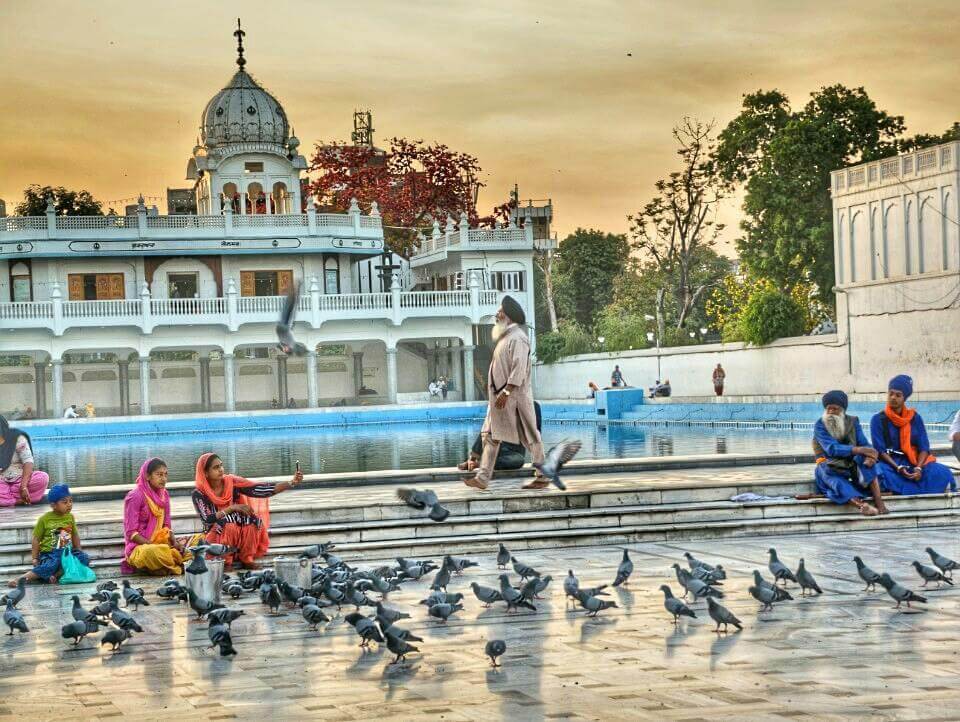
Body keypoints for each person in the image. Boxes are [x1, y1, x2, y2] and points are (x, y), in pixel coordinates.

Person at [464, 295, 546, 491]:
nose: (497, 314)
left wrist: (507, 391)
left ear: (508, 316)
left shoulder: (518, 338)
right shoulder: (507, 337)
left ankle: (543, 476)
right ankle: (483, 478)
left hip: (514, 398)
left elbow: (519, 367)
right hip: (501, 399)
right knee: (490, 436)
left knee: (530, 437)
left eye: (500, 311)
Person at [192, 452, 303, 570]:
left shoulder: (232, 483)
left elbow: (260, 490)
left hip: (236, 526)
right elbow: (207, 519)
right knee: (228, 524)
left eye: (221, 465)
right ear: (205, 473)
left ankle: (247, 558)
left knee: (254, 521)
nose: (221, 470)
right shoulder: (199, 493)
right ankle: (224, 561)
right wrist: (233, 508)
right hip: (215, 533)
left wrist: (291, 482)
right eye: (216, 467)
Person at [870, 375, 956, 496]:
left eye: (898, 395)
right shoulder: (877, 419)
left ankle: (901, 489)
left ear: (904, 398)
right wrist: (898, 468)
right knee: (878, 471)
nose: (893, 398)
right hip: (891, 464)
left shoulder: (915, 418)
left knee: (941, 471)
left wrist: (919, 468)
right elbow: (880, 451)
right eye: (891, 394)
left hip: (913, 462)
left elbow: (924, 447)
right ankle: (915, 488)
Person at [812, 390, 887, 516]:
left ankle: (879, 502)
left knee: (867, 462)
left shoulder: (853, 421)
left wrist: (871, 457)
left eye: (834, 409)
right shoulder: (820, 425)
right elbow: (832, 449)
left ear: (843, 410)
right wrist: (859, 450)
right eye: (828, 409)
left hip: (850, 464)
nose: (830, 412)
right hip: (828, 465)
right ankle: (862, 506)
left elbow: (864, 443)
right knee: (834, 480)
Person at [8, 484, 91, 586]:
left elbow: (75, 535)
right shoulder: (44, 519)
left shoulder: (70, 517)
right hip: (50, 554)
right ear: (53, 505)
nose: (69, 504)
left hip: (66, 552)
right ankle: (20, 579)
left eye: (70, 501)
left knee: (84, 558)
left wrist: (78, 551)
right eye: (65, 502)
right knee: (50, 564)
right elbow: (36, 539)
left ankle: (55, 576)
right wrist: (35, 558)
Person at [122, 458, 188, 576]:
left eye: (165, 475)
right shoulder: (135, 496)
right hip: (140, 548)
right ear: (147, 476)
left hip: (161, 544)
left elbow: (167, 526)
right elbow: (131, 533)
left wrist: (175, 542)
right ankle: (169, 564)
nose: (164, 479)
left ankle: (160, 567)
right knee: (153, 552)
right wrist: (151, 545)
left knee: (195, 544)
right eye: (159, 475)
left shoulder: (164, 495)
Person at [459, 401, 543, 473]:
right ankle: (471, 460)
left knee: (518, 461)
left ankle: (479, 464)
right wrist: (472, 458)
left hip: (515, 452)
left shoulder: (534, 407)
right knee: (488, 429)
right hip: (498, 446)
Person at [0, 415, 48, 507]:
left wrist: (23, 486)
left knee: (43, 478)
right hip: (1, 482)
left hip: (20, 479)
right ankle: (16, 501)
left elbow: (28, 461)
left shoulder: (17, 438)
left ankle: (7, 498)